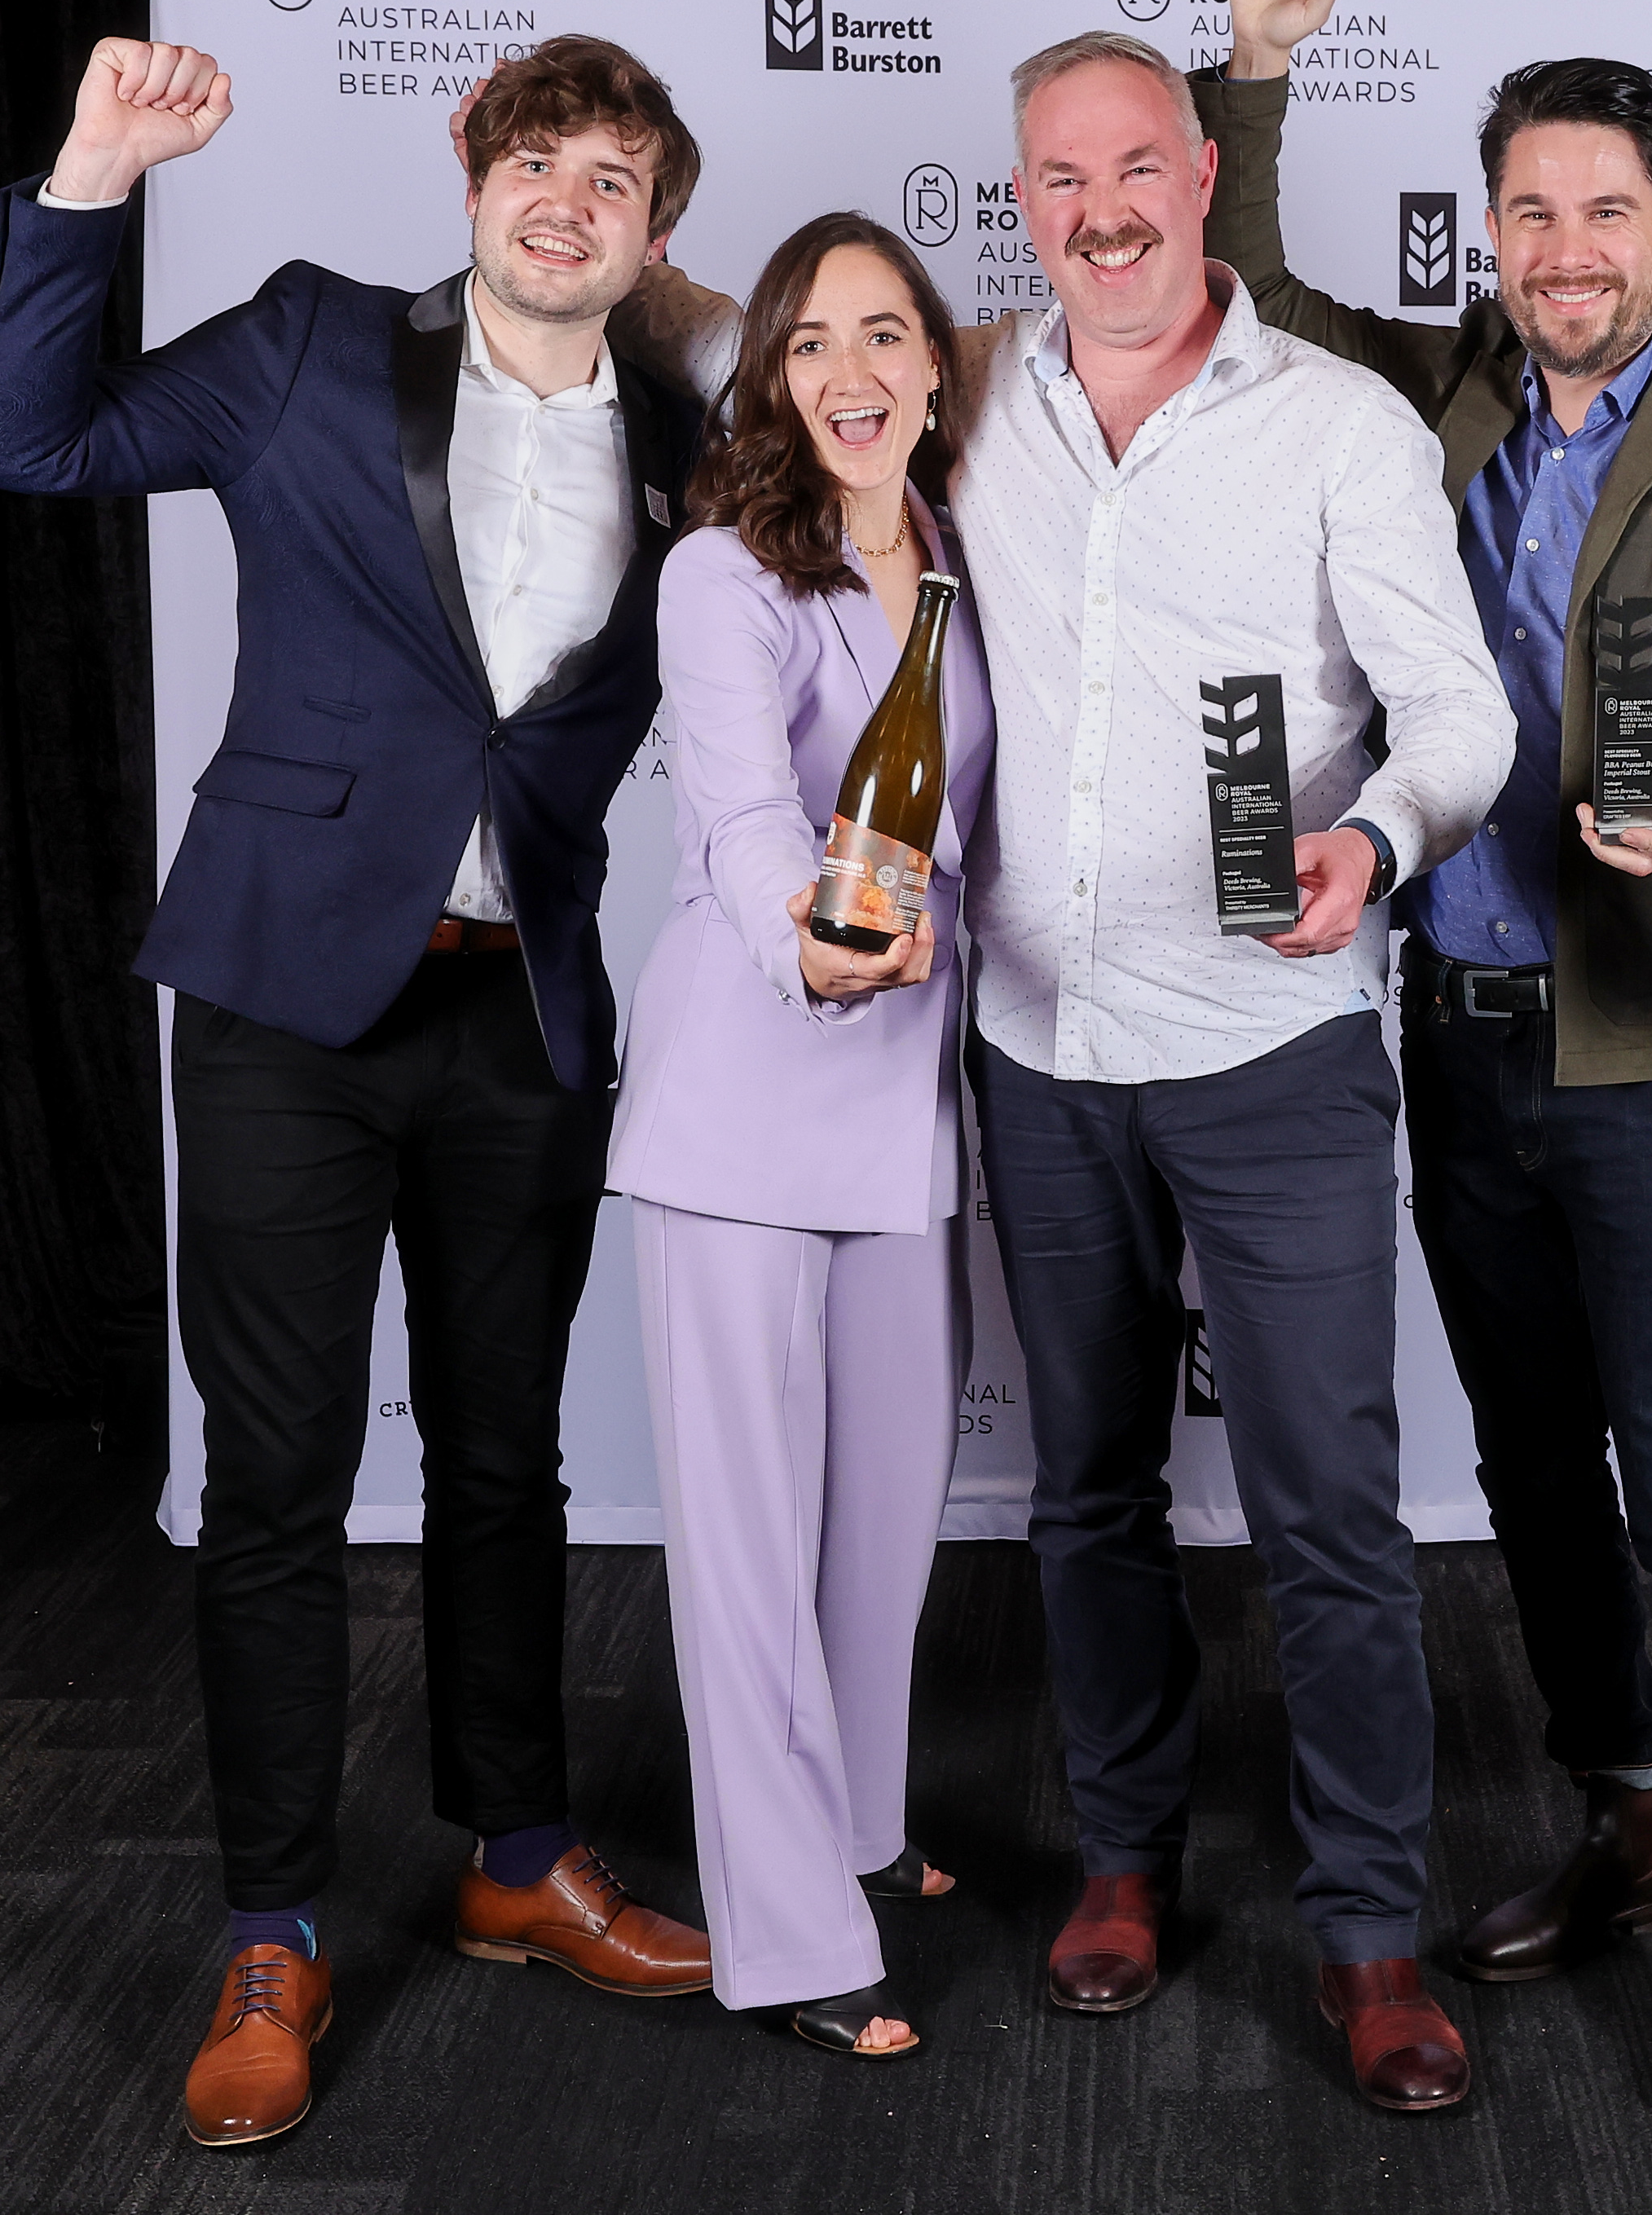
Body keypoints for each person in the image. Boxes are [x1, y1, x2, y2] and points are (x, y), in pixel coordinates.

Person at [631, 29, 1513, 2116]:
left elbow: (1462, 714)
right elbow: (778, 345)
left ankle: (1369, 1936)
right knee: (1087, 1492)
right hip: (1035, 1048)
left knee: (1329, 1508)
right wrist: (589, 211)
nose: (1101, 210)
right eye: (1058, 179)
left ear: (1202, 173)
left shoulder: (1341, 422)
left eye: (1134, 167)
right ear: (1020, 206)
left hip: (1271, 1046)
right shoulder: (975, 394)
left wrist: (1377, 841)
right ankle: (1123, 1861)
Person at [0, 33, 729, 2150]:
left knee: (503, 1462)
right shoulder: (308, 344)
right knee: (280, 1478)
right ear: (471, 174)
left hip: (520, 1015)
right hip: (286, 1005)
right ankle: (271, 1927)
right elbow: (27, 439)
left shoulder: (692, 433)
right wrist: (92, 175)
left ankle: (517, 1858)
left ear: (656, 233)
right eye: (536, 161)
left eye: (615, 178)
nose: (567, 201)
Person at [1197, 0, 1652, 2121]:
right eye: (1532, 213)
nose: (1567, 251)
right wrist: (1258, 75)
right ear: (1491, 230)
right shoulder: (1440, 390)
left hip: (1646, 1038)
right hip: (1456, 1022)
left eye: (1606, 212)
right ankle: (1627, 1808)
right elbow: (1252, 285)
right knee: (1533, 1468)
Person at [606, 212, 991, 2063]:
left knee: (886, 1517)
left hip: (906, 1105)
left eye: (884, 334)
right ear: (769, 377)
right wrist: (810, 943)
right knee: (748, 1551)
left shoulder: (970, 555)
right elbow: (749, 815)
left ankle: (855, 1825)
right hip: (748, 1098)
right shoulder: (723, 573)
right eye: (812, 342)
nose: (851, 372)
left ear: (934, 364)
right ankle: (786, 1938)